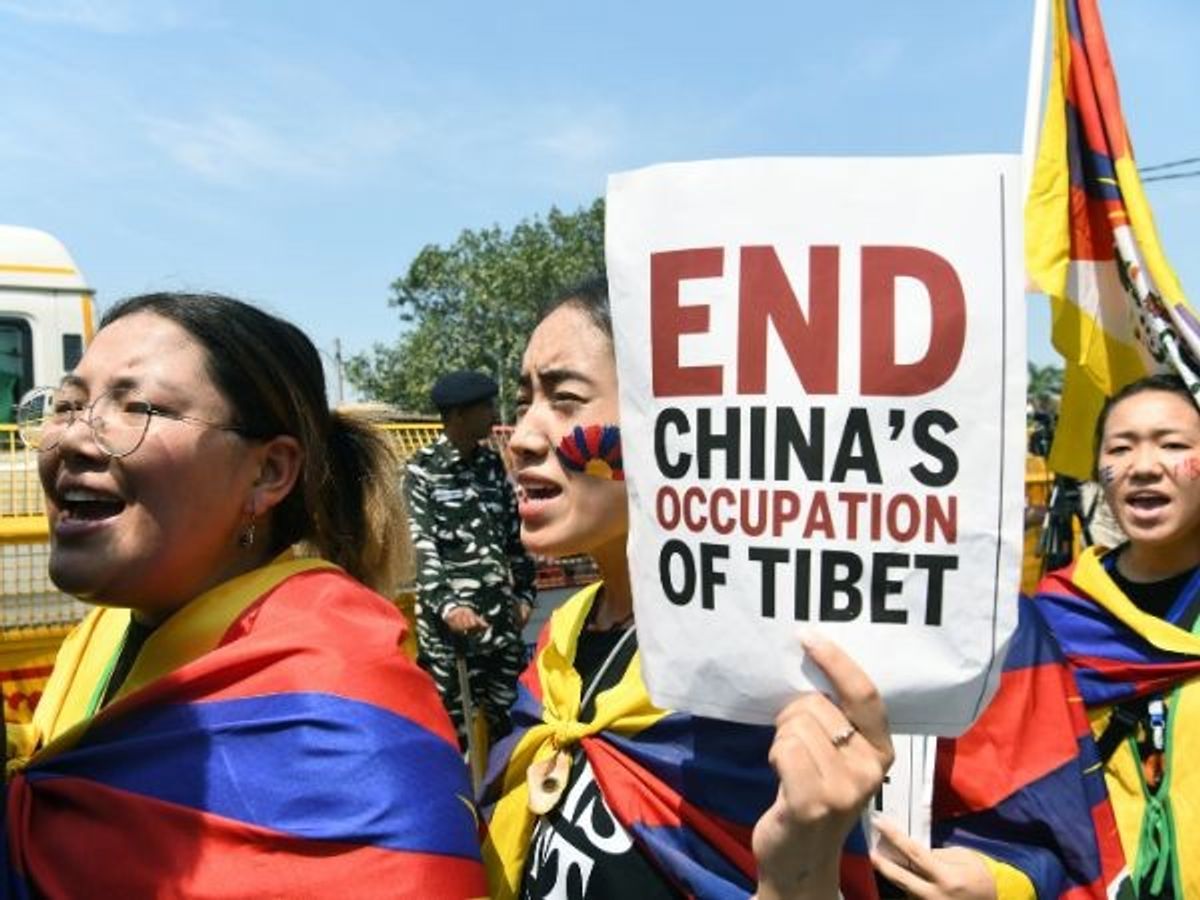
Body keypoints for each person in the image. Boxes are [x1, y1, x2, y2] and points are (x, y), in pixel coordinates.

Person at [7, 292, 486, 897]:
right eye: (68, 405)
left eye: (136, 407)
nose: (73, 439)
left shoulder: (338, 705)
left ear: (268, 473)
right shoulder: (100, 638)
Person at [480, 276, 894, 900]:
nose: (523, 437)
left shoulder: (760, 678)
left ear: (672, 423)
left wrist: (796, 879)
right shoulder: (561, 643)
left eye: (565, 399)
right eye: (524, 401)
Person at [872, 373, 1200, 899]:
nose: (1143, 466)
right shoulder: (1044, 626)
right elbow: (1013, 809)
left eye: (1173, 445)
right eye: (1121, 448)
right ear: (1098, 470)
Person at [406, 370, 537, 749]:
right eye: (485, 407)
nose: (493, 414)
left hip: (500, 627)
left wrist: (525, 595)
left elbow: (514, 537)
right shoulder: (421, 470)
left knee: (513, 732)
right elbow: (422, 546)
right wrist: (449, 606)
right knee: (451, 738)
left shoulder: (491, 466)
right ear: (458, 415)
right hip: (452, 639)